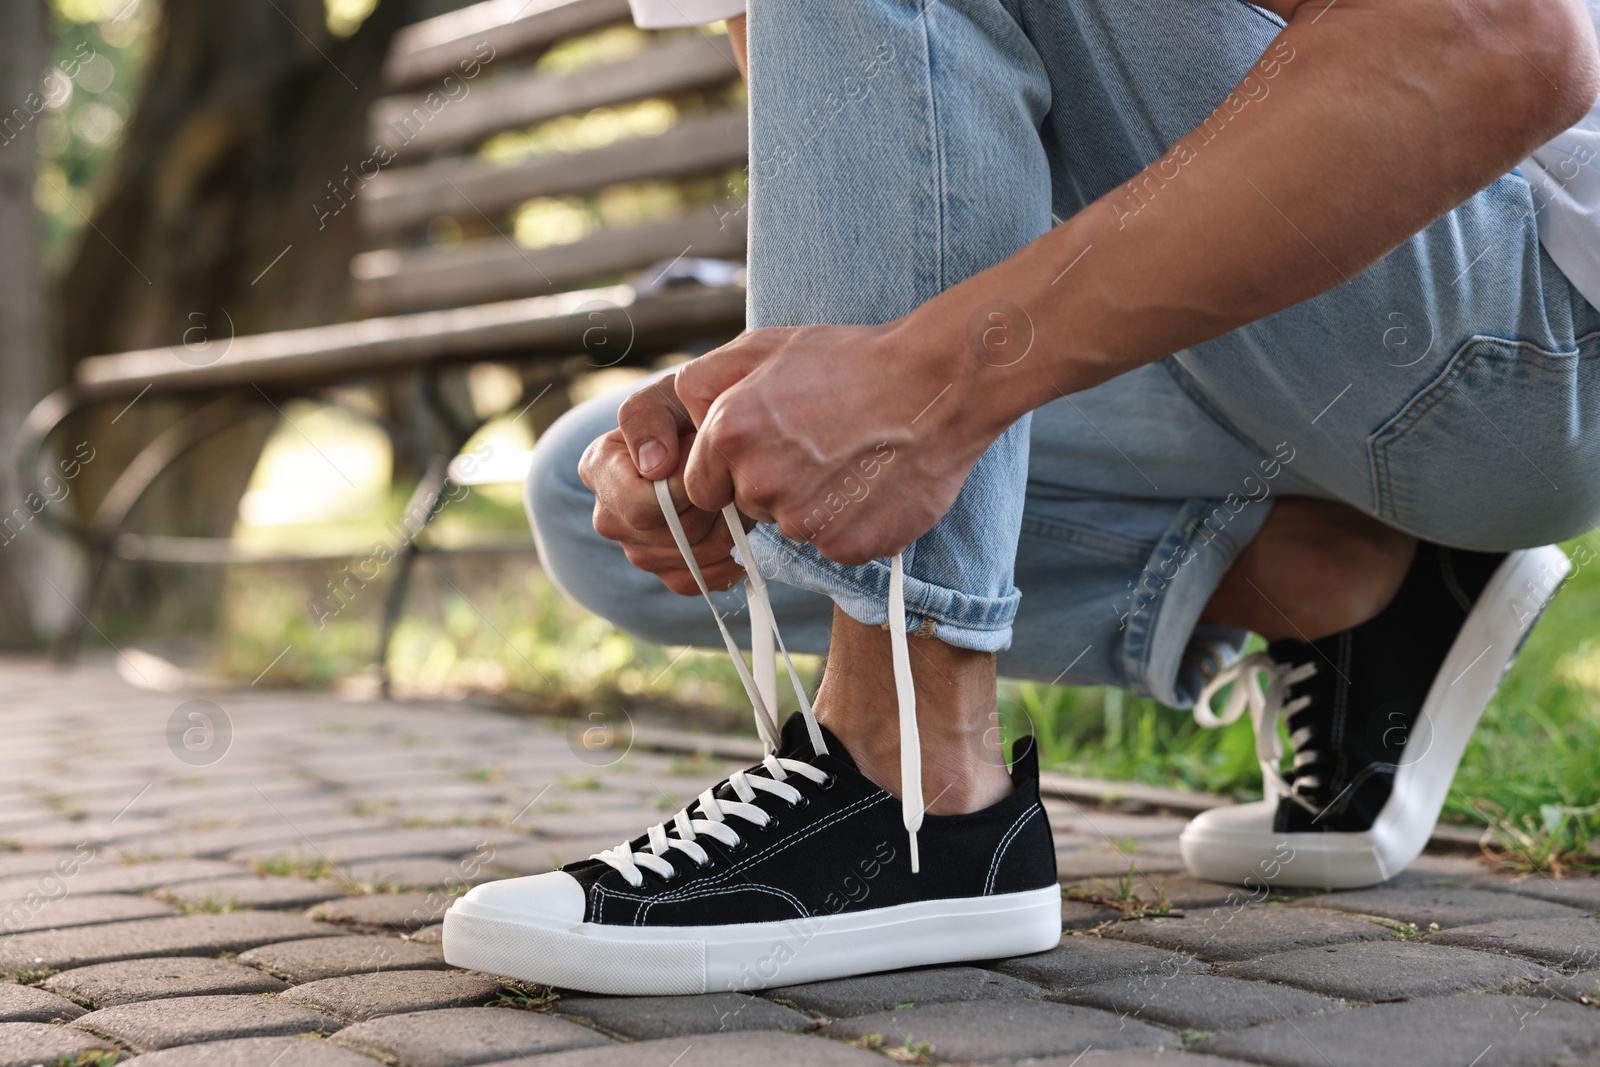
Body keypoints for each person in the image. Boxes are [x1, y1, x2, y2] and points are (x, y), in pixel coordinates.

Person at [442, 0, 1600, 995]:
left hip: (1532, 326)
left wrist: (939, 379)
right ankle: (1354, 584)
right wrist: (778, 406)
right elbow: (899, 153)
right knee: (603, 489)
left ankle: (914, 782)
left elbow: (1500, 40)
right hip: (1294, 336)